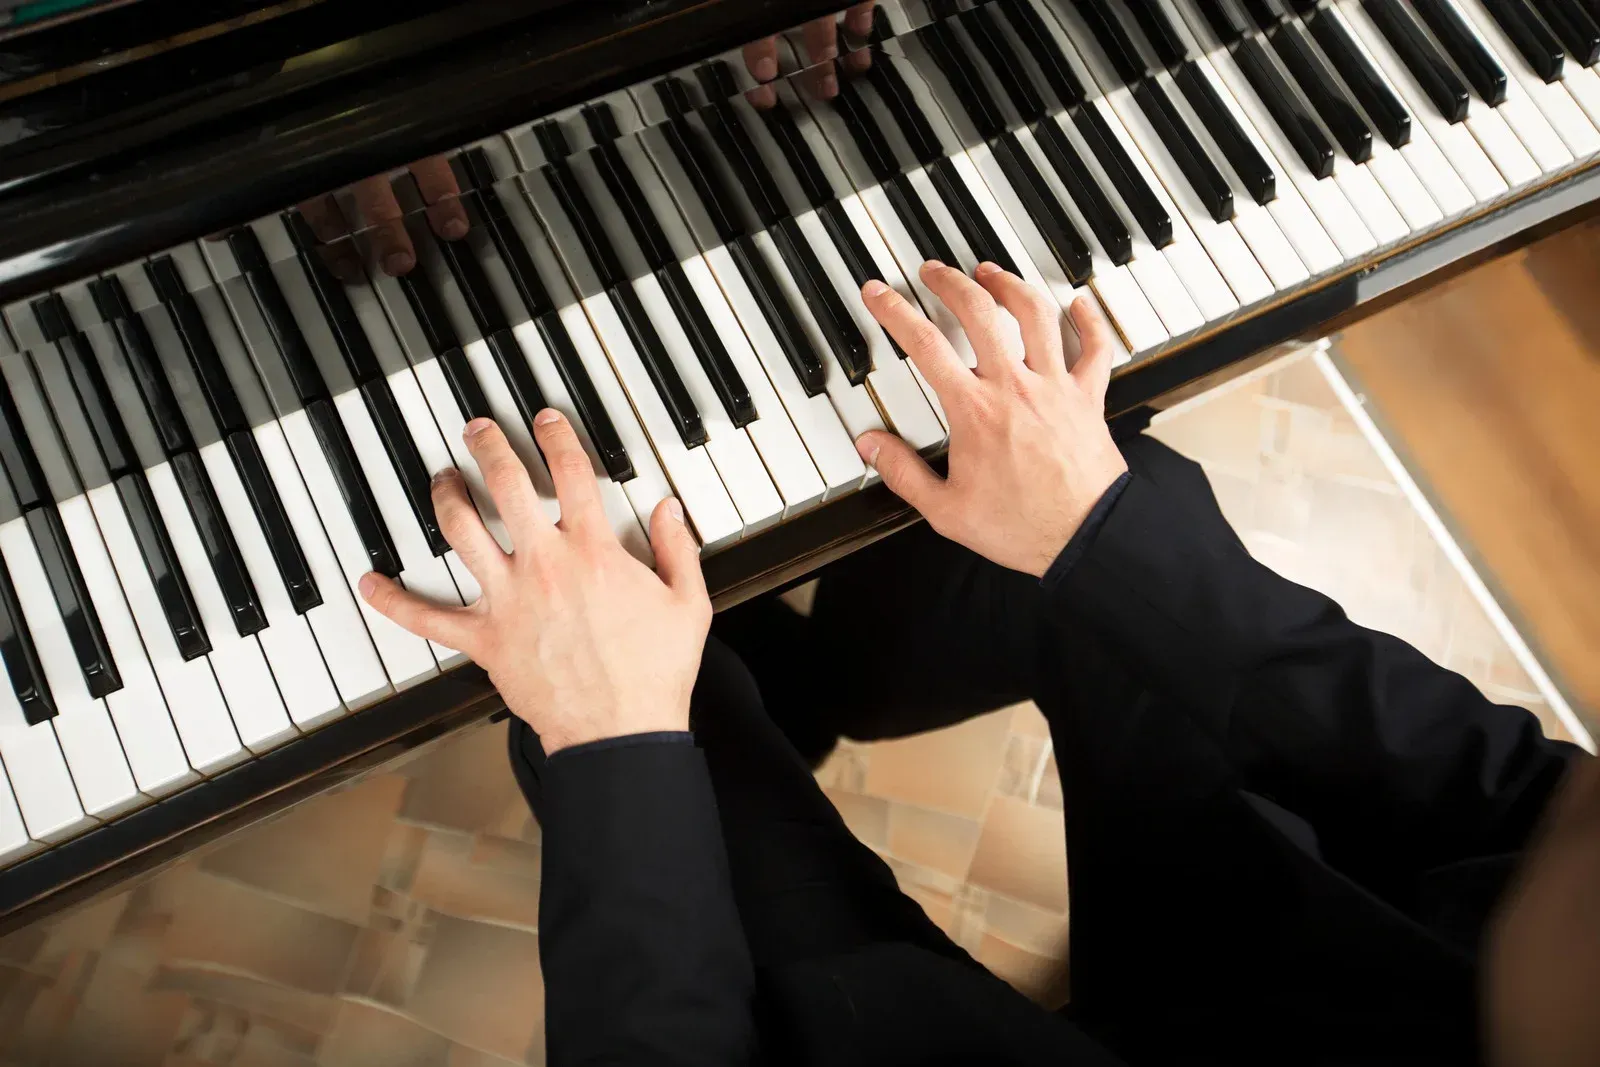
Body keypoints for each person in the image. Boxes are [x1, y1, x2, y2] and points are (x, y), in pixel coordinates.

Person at [355, 260, 1590, 1066]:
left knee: (655, 714)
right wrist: (1094, 525)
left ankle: (746, 687)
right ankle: (822, 687)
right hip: (1336, 955)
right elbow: (1516, 801)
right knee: (1118, 496)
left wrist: (613, 736)